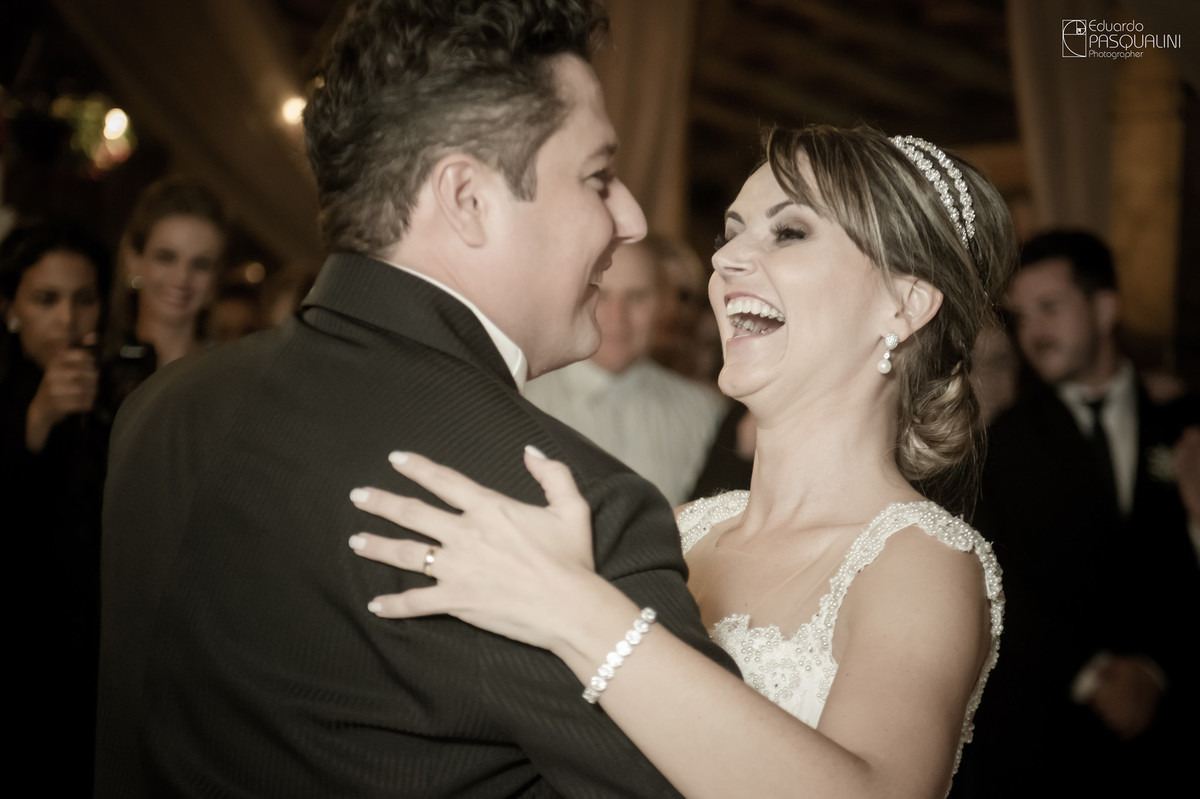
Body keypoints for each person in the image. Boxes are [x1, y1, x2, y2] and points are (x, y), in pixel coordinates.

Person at [95, 1, 735, 796]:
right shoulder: (560, 507)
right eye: (599, 176)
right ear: (466, 199)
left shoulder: (162, 407)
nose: (631, 219)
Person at [347, 124, 1015, 799]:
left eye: (788, 233)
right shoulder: (678, 528)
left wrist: (573, 606)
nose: (724, 261)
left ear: (904, 303)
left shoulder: (923, 560)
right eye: (732, 232)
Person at [963, 230, 1200, 798]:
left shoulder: (1182, 422)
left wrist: (1155, 669)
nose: (1034, 332)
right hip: (1045, 744)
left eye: (1051, 308)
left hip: (1169, 732)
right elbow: (995, 579)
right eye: (1023, 315)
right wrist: (1092, 677)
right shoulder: (1002, 443)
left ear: (1105, 307)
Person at [0, 218, 111, 796]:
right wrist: (37, 422)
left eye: (83, 300)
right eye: (46, 299)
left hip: (92, 665)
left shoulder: (117, 392)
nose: (67, 321)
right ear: (11, 306)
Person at [525, 236, 727, 504]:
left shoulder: (706, 412)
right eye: (602, 294)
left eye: (636, 297)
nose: (617, 316)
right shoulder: (521, 399)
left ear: (664, 304)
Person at [104, 175, 226, 411]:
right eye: (166, 257)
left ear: (215, 279)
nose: (182, 278)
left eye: (201, 265)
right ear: (133, 262)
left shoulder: (230, 377)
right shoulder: (99, 367)